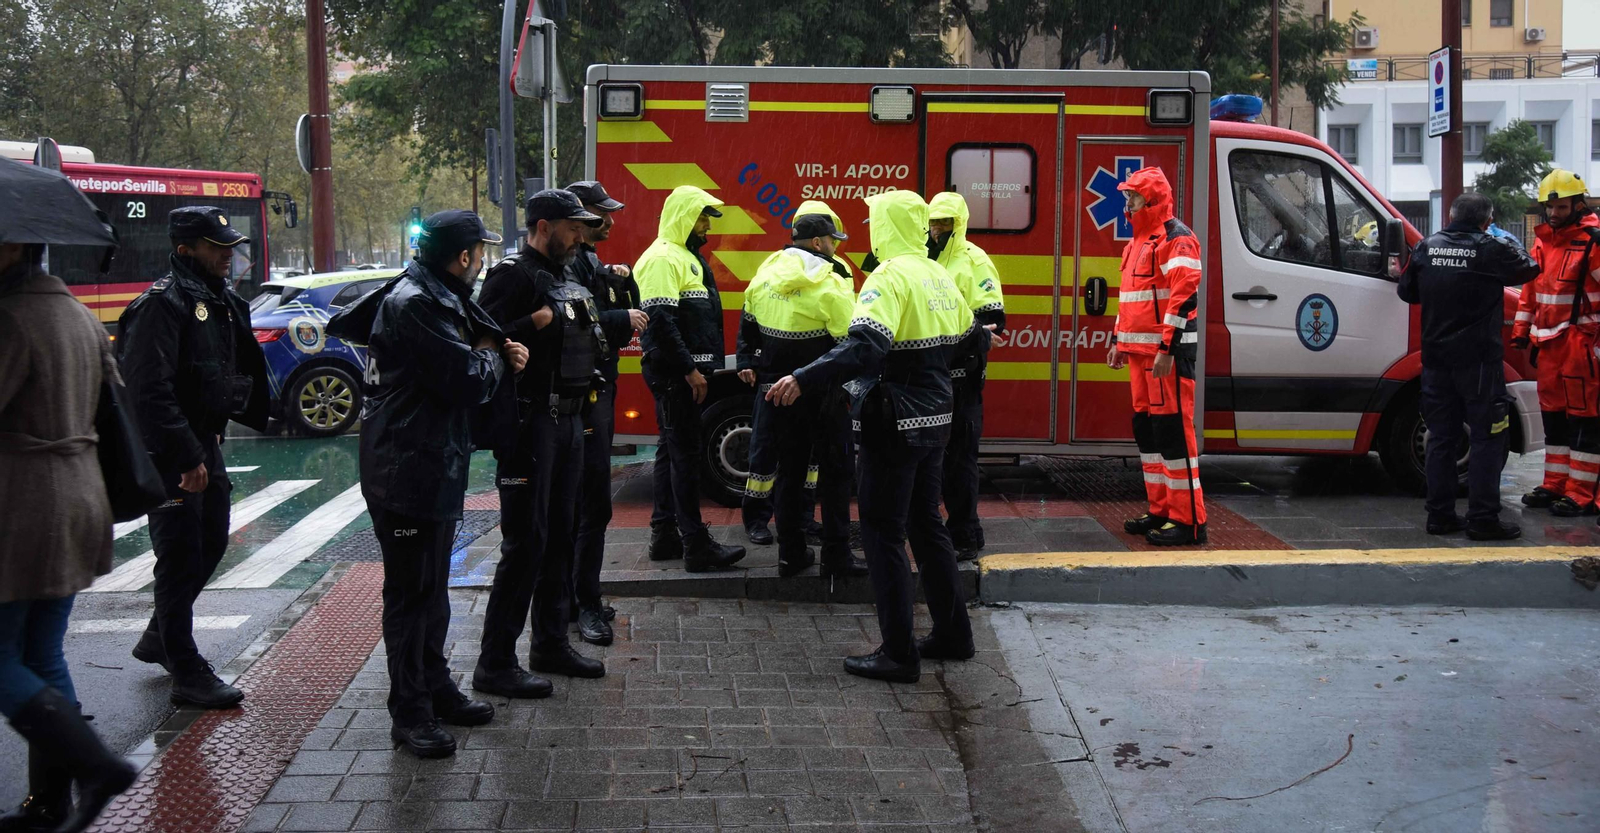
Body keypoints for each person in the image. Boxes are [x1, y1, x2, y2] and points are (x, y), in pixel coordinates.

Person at [767, 189, 987, 683]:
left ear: (886, 226)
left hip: (892, 421)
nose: (867, 229)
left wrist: (804, 377)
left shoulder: (888, 277)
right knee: (927, 525)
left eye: (872, 221)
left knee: (883, 532)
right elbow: (974, 339)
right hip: (937, 418)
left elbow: (864, 346)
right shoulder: (938, 273)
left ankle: (898, 652)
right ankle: (954, 635)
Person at [325, 209, 524, 758]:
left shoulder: (437, 295)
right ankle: (409, 712)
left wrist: (491, 349)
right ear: (463, 257)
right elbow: (467, 379)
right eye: (479, 255)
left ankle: (434, 688)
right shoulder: (415, 303)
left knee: (432, 591)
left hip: (430, 462)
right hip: (405, 469)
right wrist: (494, 356)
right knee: (411, 596)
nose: (482, 264)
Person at [0, 242, 138, 833]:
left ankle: (95, 764)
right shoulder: (77, 312)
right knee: (42, 651)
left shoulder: (9, 317)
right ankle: (50, 801)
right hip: (79, 495)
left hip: (21, 502)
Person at [118, 207, 270, 707]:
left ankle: (160, 637)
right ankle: (186, 669)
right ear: (186, 249)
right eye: (216, 246)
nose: (228, 253)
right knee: (180, 557)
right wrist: (186, 456)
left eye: (228, 245)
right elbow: (149, 391)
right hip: (171, 449)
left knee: (210, 541)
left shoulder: (217, 298)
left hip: (203, 440)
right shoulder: (163, 304)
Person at [475, 190, 609, 691]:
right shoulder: (513, 275)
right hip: (532, 425)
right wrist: (530, 324)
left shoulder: (564, 274)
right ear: (544, 225)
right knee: (526, 542)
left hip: (569, 422)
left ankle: (550, 644)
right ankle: (495, 662)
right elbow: (481, 338)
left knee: (560, 536)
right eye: (573, 227)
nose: (580, 235)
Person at [737, 212, 869, 578]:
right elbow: (850, 342)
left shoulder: (764, 277)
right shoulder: (830, 284)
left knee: (790, 473)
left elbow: (749, 324)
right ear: (818, 243)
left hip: (779, 396)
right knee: (837, 474)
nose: (836, 246)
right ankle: (837, 557)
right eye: (833, 240)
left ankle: (790, 555)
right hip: (824, 396)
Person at [1398, 193, 1539, 538]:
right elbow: (1530, 268)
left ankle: (1440, 516)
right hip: (1478, 362)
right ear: (1486, 220)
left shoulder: (1427, 247)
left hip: (1435, 361)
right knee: (1488, 438)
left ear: (1451, 216)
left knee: (1441, 439)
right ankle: (1482, 519)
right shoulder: (1489, 248)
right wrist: (1503, 240)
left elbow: (1407, 292)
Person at [637, 185, 747, 572]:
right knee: (685, 457)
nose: (706, 226)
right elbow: (662, 322)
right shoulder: (665, 258)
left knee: (672, 453)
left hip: (682, 373)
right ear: (683, 217)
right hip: (675, 375)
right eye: (701, 218)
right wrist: (689, 370)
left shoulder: (684, 257)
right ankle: (696, 546)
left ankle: (664, 535)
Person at [1105, 167, 1207, 546]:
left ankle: (1189, 521)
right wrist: (1118, 340)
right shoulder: (1137, 243)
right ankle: (1161, 510)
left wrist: (1168, 348)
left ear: (1150, 199)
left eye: (1132, 197)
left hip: (1164, 356)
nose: (1127, 203)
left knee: (1174, 436)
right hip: (1139, 354)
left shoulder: (1176, 240)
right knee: (1148, 433)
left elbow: (1184, 296)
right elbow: (1129, 299)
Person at [566, 180, 644, 647]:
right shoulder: (567, 265)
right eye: (601, 213)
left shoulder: (589, 261)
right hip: (582, 396)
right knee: (587, 505)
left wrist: (619, 283)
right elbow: (579, 323)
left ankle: (584, 595)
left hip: (599, 388)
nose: (610, 221)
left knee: (592, 506)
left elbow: (602, 321)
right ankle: (581, 604)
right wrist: (618, 317)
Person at [1512, 169, 1600, 516]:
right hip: (1548, 346)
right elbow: (1531, 292)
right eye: (1550, 208)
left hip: (1580, 344)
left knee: (1585, 419)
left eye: (1561, 208)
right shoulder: (1544, 241)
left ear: (1579, 204)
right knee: (1554, 420)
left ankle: (1581, 492)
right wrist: (1521, 331)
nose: (1553, 214)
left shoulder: (1593, 242)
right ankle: (1555, 483)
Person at [927, 191, 1005, 561]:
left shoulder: (975, 261)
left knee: (960, 460)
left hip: (963, 378)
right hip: (932, 377)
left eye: (944, 222)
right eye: (932, 221)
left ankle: (966, 535)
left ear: (959, 223)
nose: (937, 229)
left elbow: (994, 323)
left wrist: (945, 342)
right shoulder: (925, 257)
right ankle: (942, 531)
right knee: (935, 460)